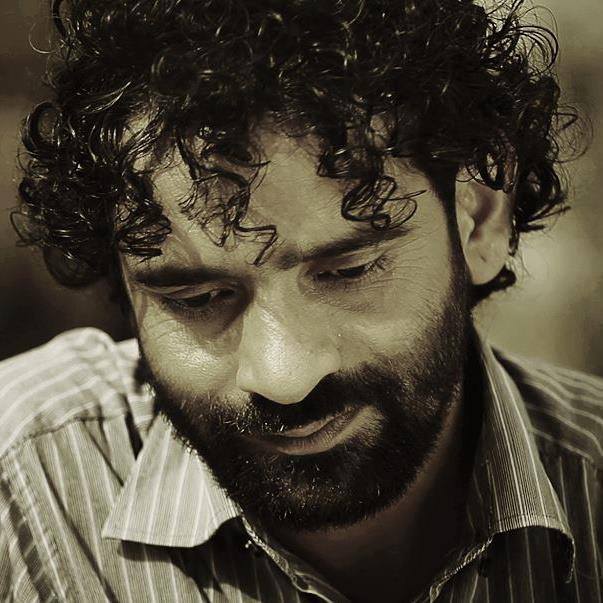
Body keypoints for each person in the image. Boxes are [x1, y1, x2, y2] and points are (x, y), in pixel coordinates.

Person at [0, 0, 601, 600]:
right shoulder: (21, 491)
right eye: (199, 298)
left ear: (479, 220)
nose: (283, 378)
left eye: (347, 272)